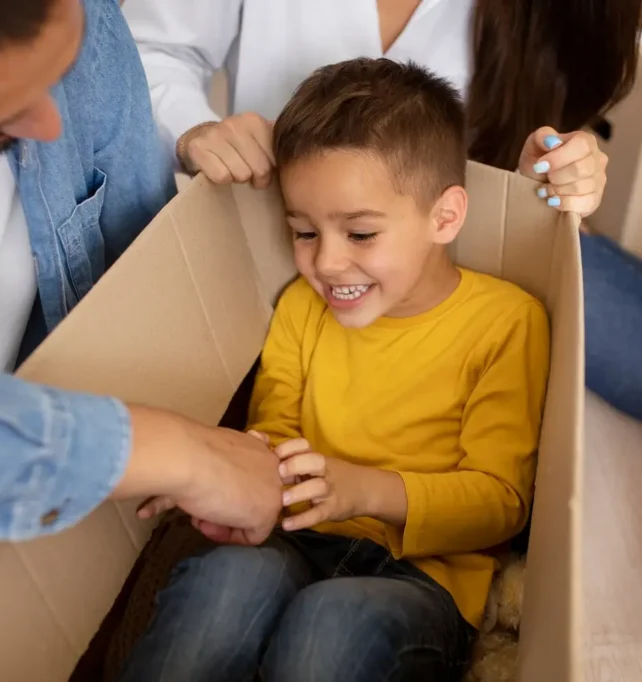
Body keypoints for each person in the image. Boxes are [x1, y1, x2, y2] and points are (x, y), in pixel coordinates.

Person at [117, 57, 547, 682]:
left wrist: (360, 489)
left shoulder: (508, 321)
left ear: (445, 217)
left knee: (332, 622)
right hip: (293, 538)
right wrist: (215, 461)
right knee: (226, 580)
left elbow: (501, 503)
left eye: (362, 233)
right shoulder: (300, 304)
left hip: (423, 578)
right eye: (303, 231)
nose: (329, 263)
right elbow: (273, 432)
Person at [123, 0, 642, 431]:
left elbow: (541, 130)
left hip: (450, 239)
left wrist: (556, 177)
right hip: (282, 230)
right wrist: (197, 130)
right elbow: (146, 48)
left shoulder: (541, 23)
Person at [0, 0, 282, 562]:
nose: (51, 126)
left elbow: (148, 283)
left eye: (58, 72)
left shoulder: (90, 25)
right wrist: (184, 455)